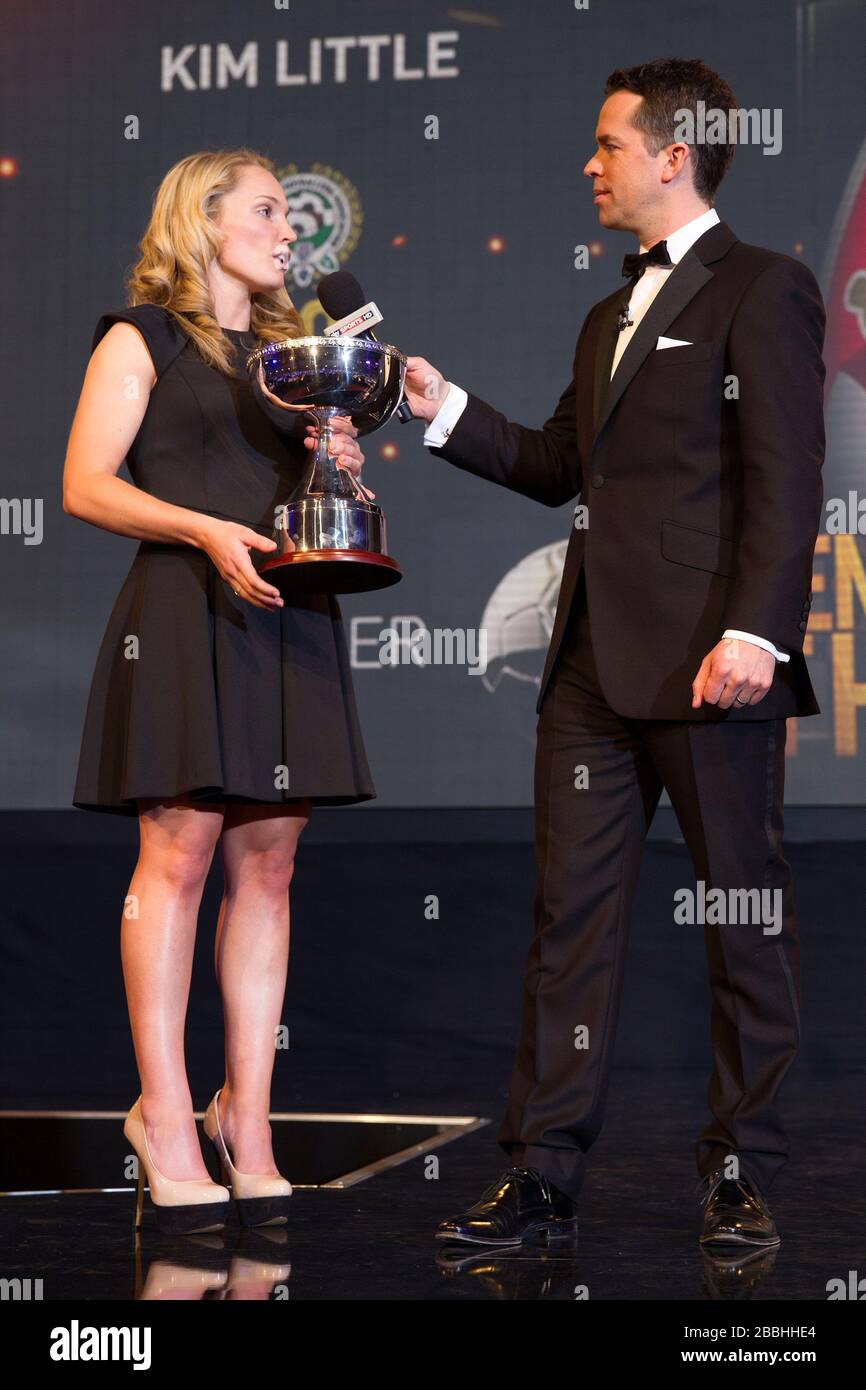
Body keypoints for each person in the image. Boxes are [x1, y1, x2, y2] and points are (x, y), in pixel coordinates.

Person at [404, 58, 825, 1250]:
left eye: (605, 145)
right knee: (567, 923)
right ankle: (538, 1173)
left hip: (710, 664)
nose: (587, 165)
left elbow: (784, 477)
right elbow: (554, 467)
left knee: (740, 918)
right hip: (588, 668)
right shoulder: (605, 316)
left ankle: (741, 1166)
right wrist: (438, 405)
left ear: (672, 154)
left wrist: (753, 632)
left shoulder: (766, 288)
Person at [64, 148, 375, 1234]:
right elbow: (85, 483)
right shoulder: (138, 337)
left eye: (290, 217)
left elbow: (303, 484)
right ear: (200, 221)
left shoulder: (297, 355)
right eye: (266, 212)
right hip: (184, 611)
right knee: (180, 852)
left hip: (282, 609)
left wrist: (335, 462)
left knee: (271, 860)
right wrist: (202, 527)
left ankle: (248, 1116)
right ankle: (164, 1114)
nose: (289, 233)